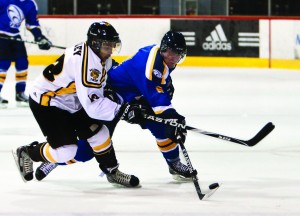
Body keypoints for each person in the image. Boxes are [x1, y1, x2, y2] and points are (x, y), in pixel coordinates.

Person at [35, 30, 196, 182]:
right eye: (170, 52)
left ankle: (174, 164)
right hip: (110, 98)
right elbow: (159, 102)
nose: (173, 57)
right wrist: (175, 120)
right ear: (163, 48)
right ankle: (55, 158)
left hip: (131, 98)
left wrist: (171, 115)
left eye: (177, 54)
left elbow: (156, 85)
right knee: (87, 151)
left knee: (161, 126)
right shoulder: (150, 64)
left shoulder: (162, 59)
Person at [13, 21, 143, 188]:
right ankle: (28, 152)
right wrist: (123, 111)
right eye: (107, 46)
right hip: (47, 102)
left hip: (69, 100)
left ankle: (112, 171)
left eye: (112, 45)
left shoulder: (96, 55)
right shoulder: (88, 65)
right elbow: (93, 106)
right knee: (66, 151)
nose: (110, 50)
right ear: (95, 44)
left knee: (100, 133)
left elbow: (108, 72)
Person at [0, 0, 52, 108]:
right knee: (3, 64)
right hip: (1, 35)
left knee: (22, 63)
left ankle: (19, 94)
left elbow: (32, 24)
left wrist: (39, 37)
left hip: (15, 35)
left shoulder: (30, 4)